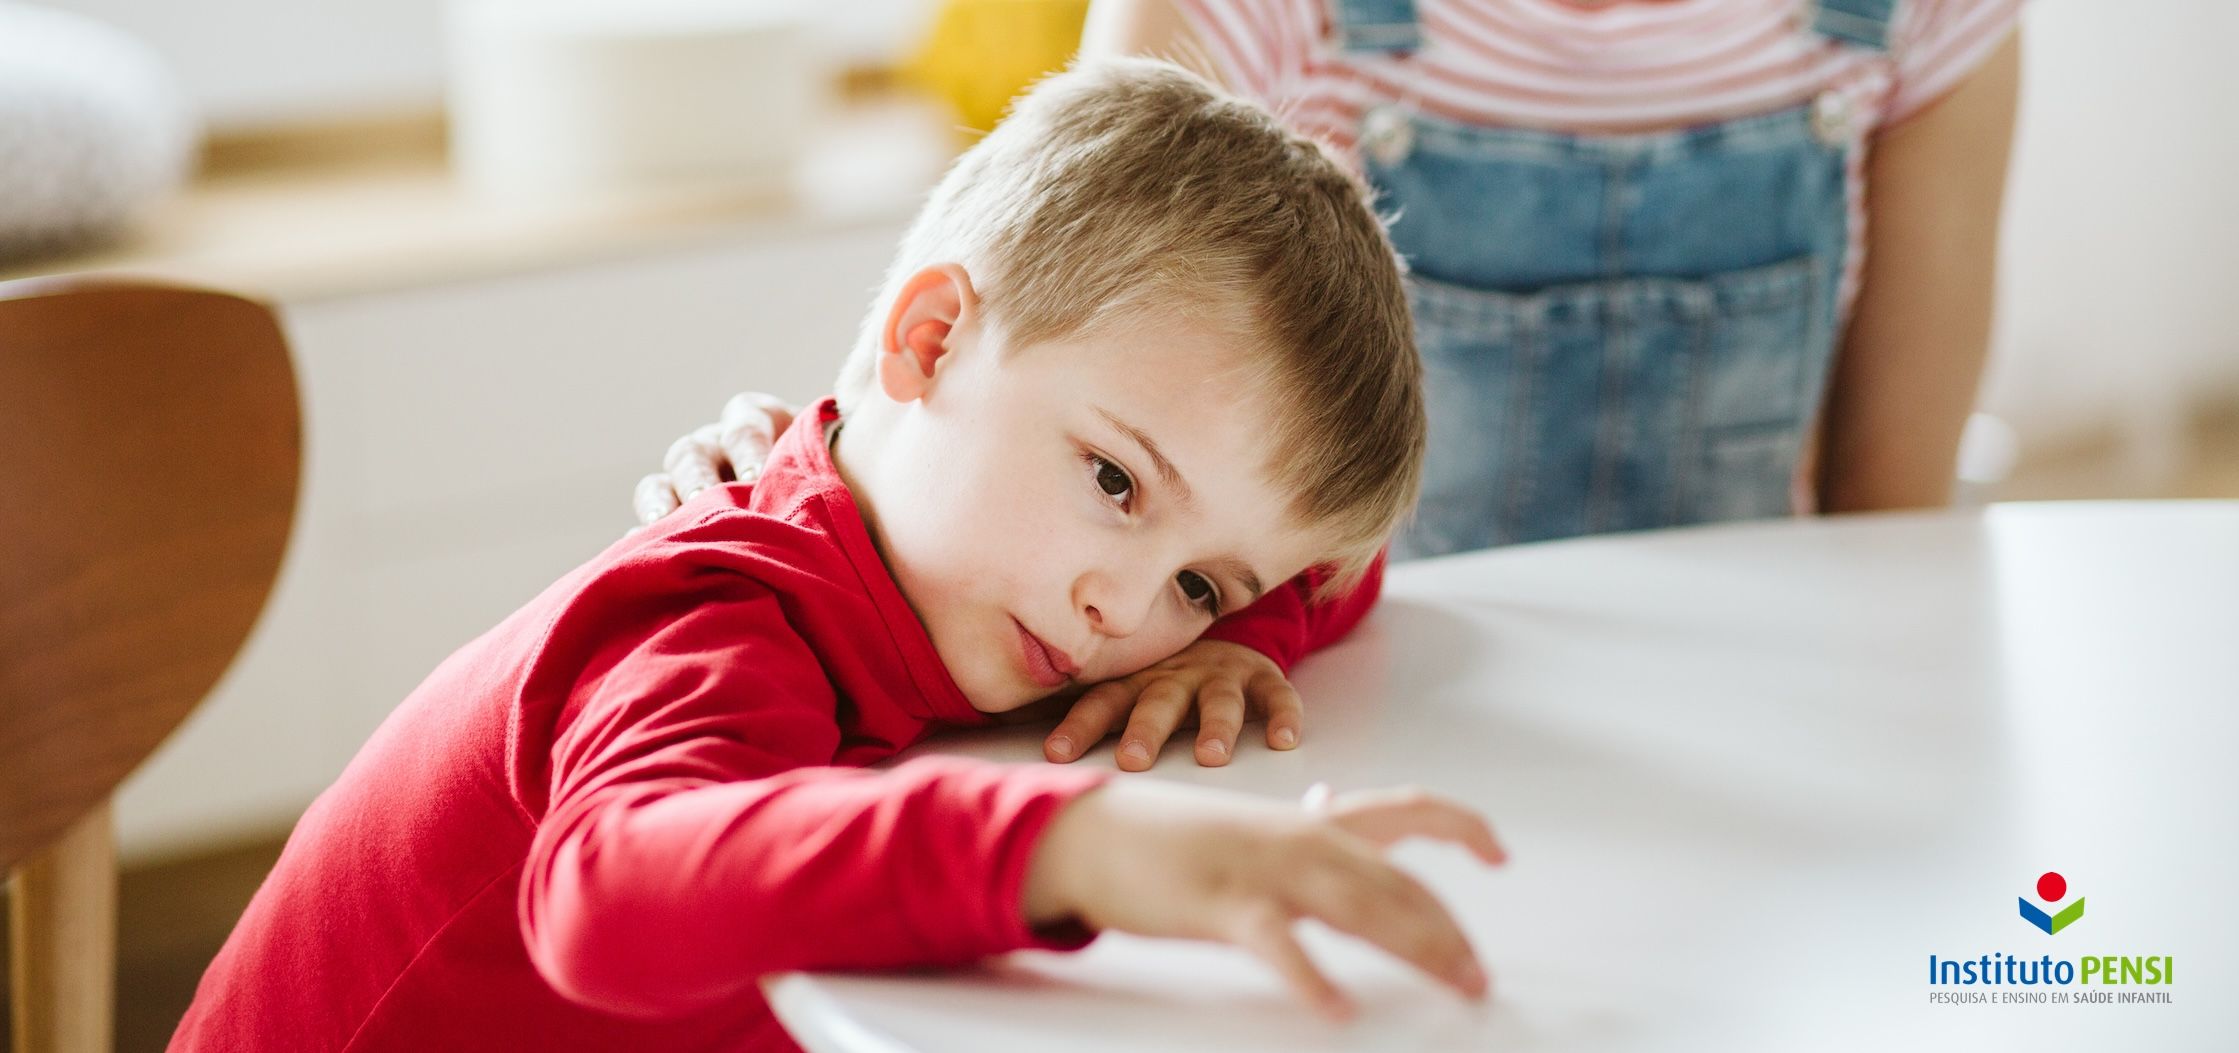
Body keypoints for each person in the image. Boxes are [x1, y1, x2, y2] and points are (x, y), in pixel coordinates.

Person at [170, 59, 1504, 1053]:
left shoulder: (1003, 579)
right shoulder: (719, 615)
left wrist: (1234, 634)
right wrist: (1085, 845)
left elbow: (1337, 570)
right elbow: (610, 892)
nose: (1122, 610)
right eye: (1115, 482)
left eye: (1201, 579)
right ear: (927, 343)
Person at [645, 0, 2021, 772]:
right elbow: (1021, 291)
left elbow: (1886, 530)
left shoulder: (1914, 17)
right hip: (1351, 715)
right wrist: (787, 473)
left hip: (1740, 712)